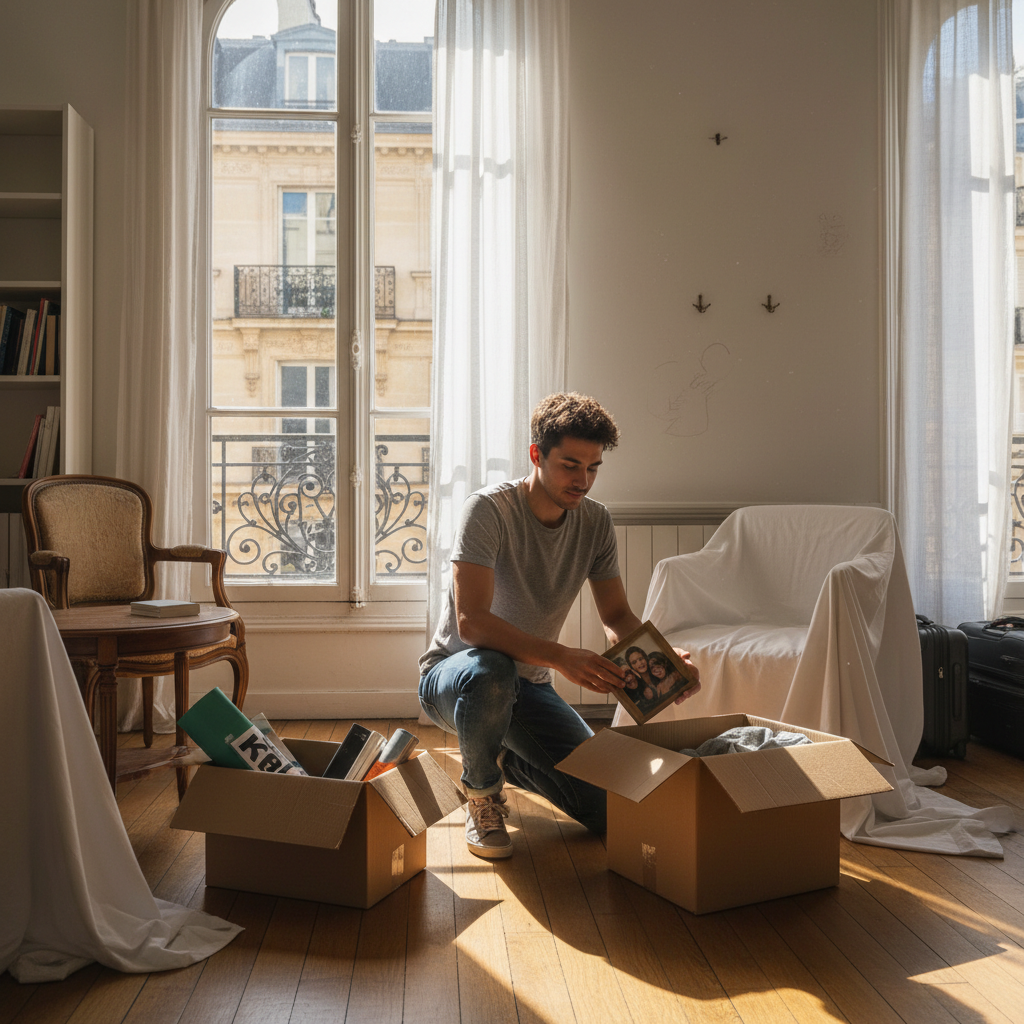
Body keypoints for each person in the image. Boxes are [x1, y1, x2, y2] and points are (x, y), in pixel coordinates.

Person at [418, 392, 701, 859]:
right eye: (570, 465)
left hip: (528, 687)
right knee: (491, 670)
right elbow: (471, 623)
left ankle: (503, 753)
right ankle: (482, 793)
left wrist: (665, 662)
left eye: (593, 468)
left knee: (609, 810)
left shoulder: (595, 522)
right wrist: (560, 655)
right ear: (537, 455)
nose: (583, 481)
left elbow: (617, 617)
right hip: (456, 679)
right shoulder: (487, 511)